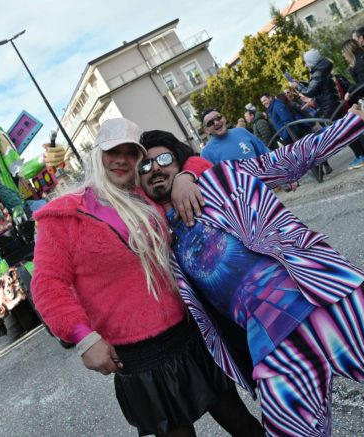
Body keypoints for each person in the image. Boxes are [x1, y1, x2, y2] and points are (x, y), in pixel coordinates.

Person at [136, 97, 364, 436]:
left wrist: (352, 124)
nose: (155, 169)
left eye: (162, 158)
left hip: (333, 305)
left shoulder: (223, 179)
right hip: (274, 349)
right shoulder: (161, 241)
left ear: (179, 159)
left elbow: (290, 159)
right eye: (145, 167)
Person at [31, 118, 263, 437]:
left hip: (189, 336)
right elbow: (47, 286)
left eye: (131, 153)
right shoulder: (64, 215)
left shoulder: (144, 195)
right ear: (96, 155)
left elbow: (196, 160)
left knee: (244, 425)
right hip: (140, 360)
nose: (122, 159)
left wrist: (185, 177)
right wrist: (84, 338)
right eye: (113, 151)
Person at [290, 48, 364, 170]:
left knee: (344, 134)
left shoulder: (318, 72)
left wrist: (297, 86)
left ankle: (361, 156)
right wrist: (301, 83)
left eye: (306, 62)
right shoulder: (322, 69)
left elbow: (310, 92)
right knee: (346, 131)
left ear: (311, 62)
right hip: (333, 105)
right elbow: (316, 86)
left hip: (329, 107)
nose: (305, 65)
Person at [200, 108, 271, 163]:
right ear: (206, 130)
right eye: (210, 123)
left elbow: (265, 152)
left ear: (224, 118)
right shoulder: (206, 153)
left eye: (218, 117)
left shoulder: (241, 131)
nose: (216, 123)